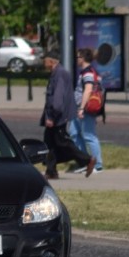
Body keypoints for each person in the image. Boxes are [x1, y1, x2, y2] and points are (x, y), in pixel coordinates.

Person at [41, 50, 95, 179]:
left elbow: (58, 99)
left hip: (57, 117)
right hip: (55, 115)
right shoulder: (56, 73)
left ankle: (87, 160)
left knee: (63, 142)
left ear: (51, 61)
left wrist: (52, 117)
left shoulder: (60, 74)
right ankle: (51, 171)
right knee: (50, 143)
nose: (43, 63)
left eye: (45, 60)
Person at [70, 48, 104, 174]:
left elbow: (88, 90)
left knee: (89, 136)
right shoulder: (86, 72)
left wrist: (81, 108)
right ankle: (85, 161)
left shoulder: (88, 73)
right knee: (74, 134)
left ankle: (98, 164)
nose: (77, 59)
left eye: (78, 57)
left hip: (85, 109)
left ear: (83, 58)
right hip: (79, 108)